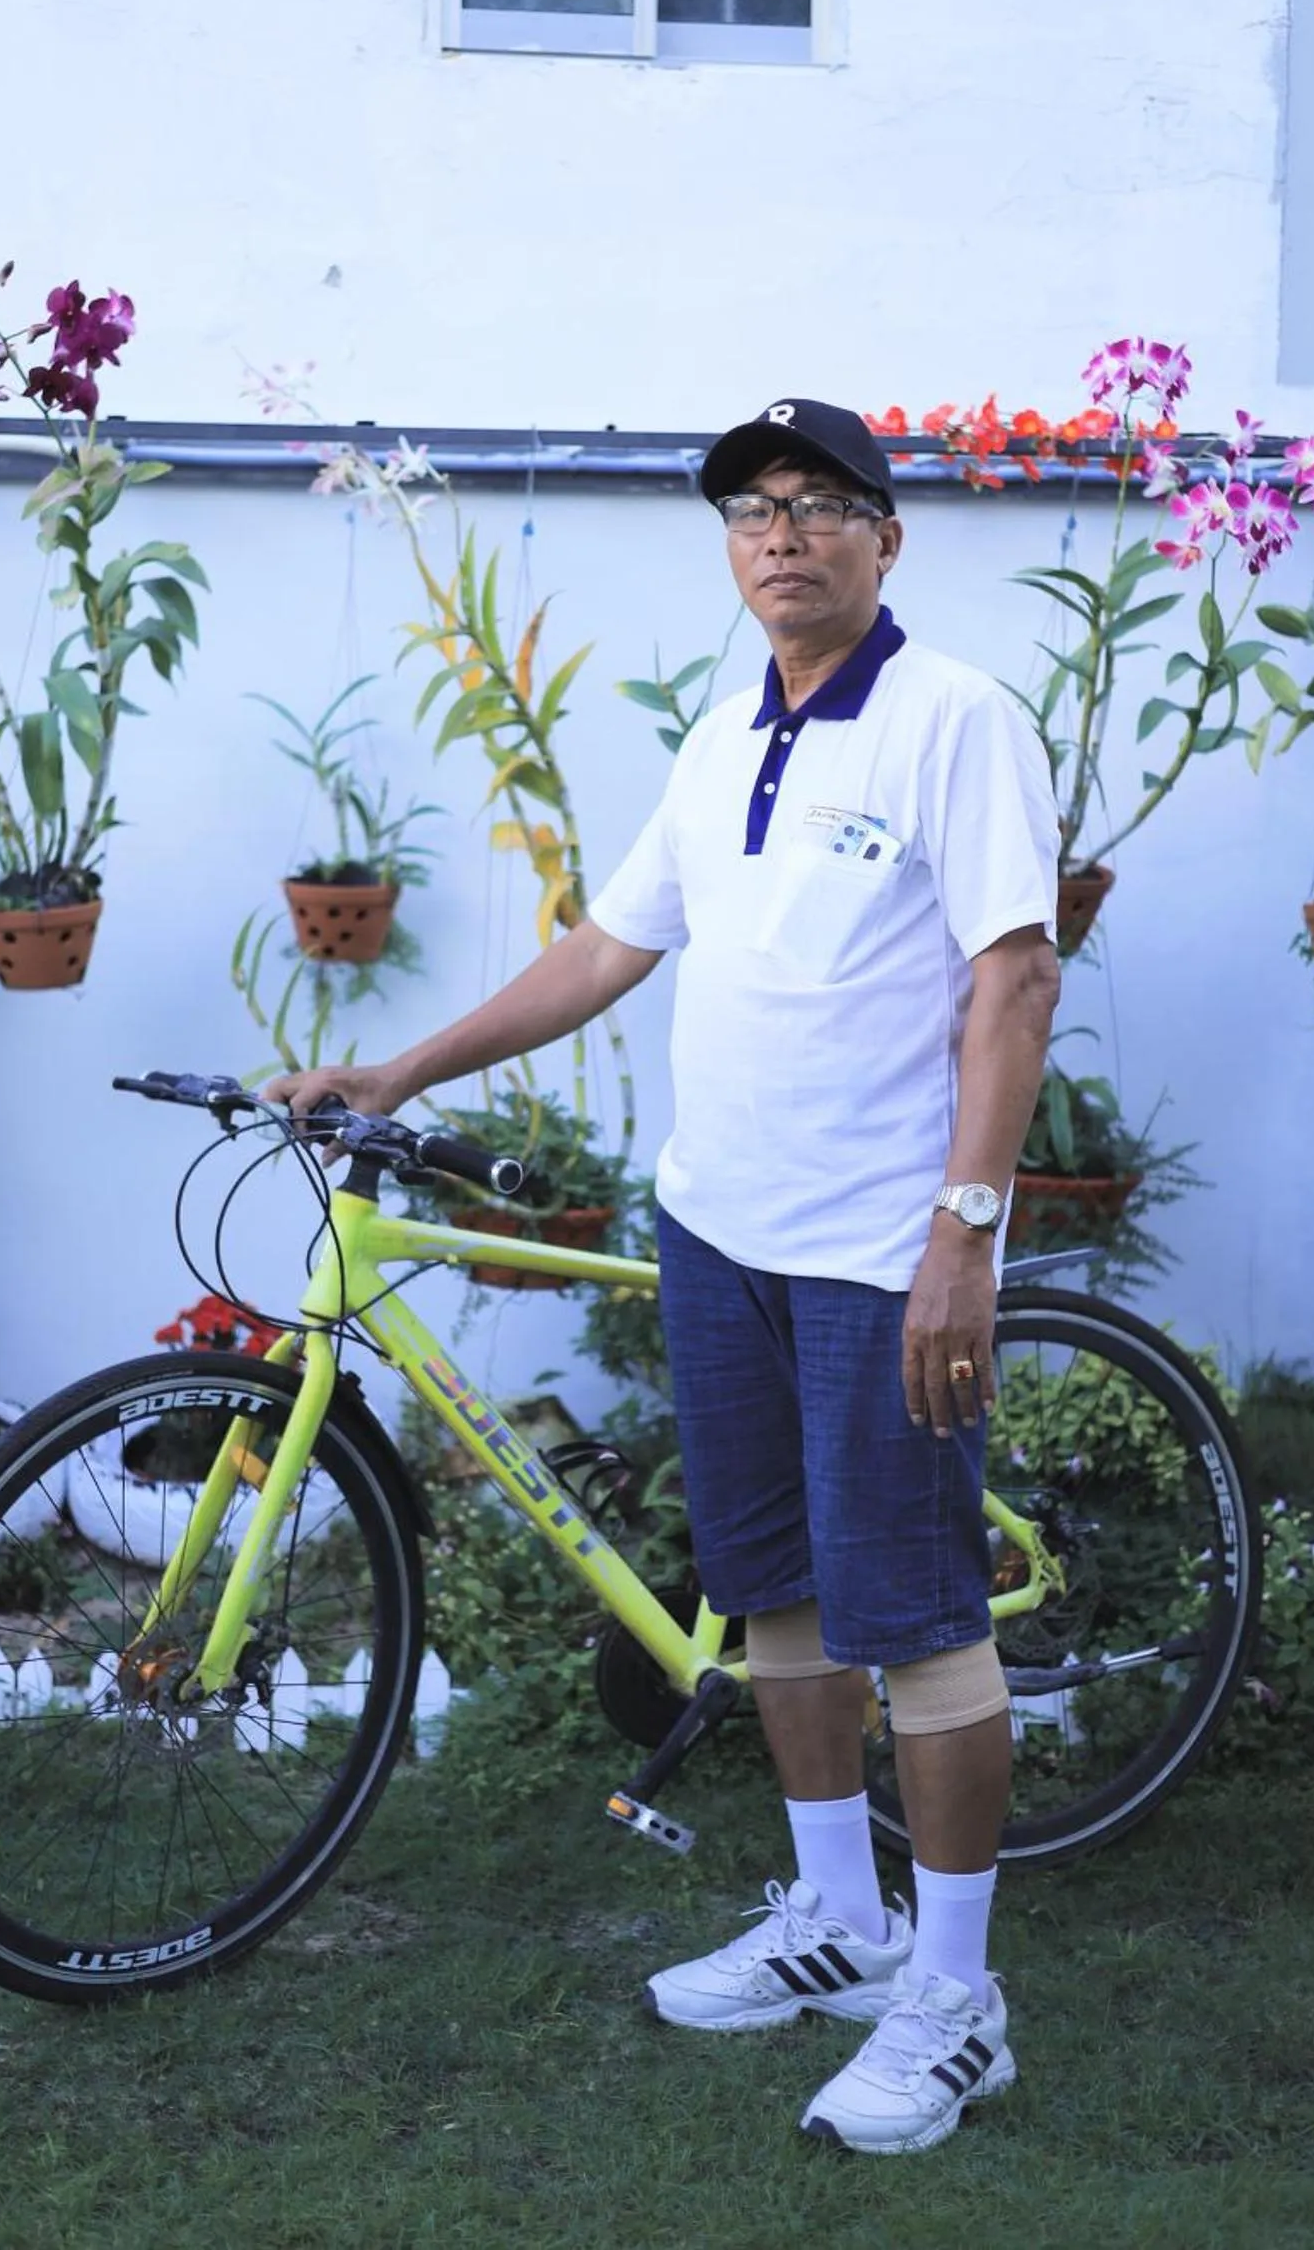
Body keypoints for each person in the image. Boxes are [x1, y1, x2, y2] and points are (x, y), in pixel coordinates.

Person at [268, 396, 1060, 2155]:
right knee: (771, 1597)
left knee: (917, 1623)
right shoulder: (720, 740)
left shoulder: (955, 721)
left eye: (821, 504)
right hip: (718, 1230)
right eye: (753, 509)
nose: (782, 533)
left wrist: (966, 1227)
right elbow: (609, 945)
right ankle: (836, 1917)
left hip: (878, 1248)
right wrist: (399, 1070)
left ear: (885, 536)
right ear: (730, 547)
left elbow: (1013, 984)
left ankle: (956, 1995)